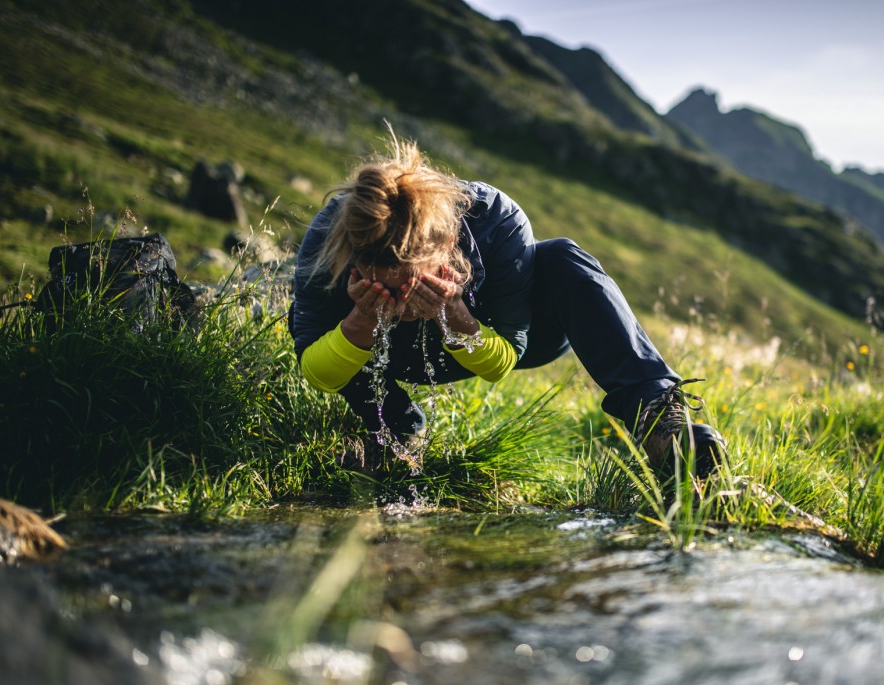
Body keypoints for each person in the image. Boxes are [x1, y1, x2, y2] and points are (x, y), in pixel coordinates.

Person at [288, 133, 726, 479]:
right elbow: (315, 368)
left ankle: (659, 423)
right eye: (387, 290)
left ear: (445, 252)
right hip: (389, 355)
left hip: (509, 334)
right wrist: (363, 318)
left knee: (561, 258)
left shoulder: (495, 218)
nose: (401, 307)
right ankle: (395, 432)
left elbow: (505, 360)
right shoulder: (332, 237)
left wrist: (455, 314)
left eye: (410, 287)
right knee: (321, 327)